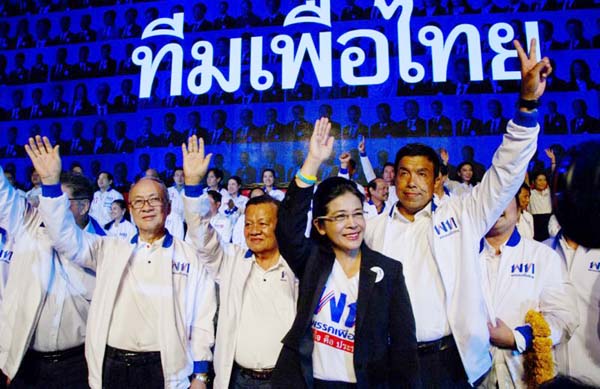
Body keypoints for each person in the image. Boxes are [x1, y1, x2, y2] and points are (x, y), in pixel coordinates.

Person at [364, 39, 551, 386]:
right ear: (393, 179)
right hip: (390, 363)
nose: (411, 183)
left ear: (437, 180)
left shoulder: (464, 214)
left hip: (449, 361)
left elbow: (506, 171)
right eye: (403, 173)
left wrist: (527, 105)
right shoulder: (372, 229)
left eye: (422, 174)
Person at [25, 136, 216, 389]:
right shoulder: (110, 248)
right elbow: (65, 236)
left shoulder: (189, 256)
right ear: (130, 209)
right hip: (112, 366)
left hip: (163, 368)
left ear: (168, 208)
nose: (146, 207)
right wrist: (50, 185)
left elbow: (203, 318)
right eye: (138, 202)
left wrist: (201, 375)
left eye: (154, 200)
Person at [271, 118, 418, 387]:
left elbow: (404, 349)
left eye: (357, 214)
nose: (352, 224)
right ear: (321, 226)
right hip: (310, 381)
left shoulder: (388, 272)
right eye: (340, 216)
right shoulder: (312, 261)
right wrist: (313, 162)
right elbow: (287, 230)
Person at [181, 137, 297, 388]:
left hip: (285, 380)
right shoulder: (232, 261)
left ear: (281, 225)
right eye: (248, 224)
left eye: (263, 223)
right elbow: (201, 234)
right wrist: (192, 185)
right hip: (239, 380)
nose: (253, 230)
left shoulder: (296, 267)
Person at [0, 168, 104, 388]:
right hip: (27, 363)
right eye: (46, 202)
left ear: (83, 206)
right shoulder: (29, 227)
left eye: (58, 203)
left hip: (79, 365)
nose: (49, 211)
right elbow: (2, 194)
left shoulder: (104, 246)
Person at [479, 194, 577, 387]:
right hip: (471, 378)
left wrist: (518, 338)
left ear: (519, 211)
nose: (497, 203)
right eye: (491, 196)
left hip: (525, 375)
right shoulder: (461, 256)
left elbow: (565, 317)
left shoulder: (542, 256)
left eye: (504, 196)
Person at [528, 171, 552, 241]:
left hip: (548, 223)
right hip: (536, 224)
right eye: (540, 180)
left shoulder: (549, 193)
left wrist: (553, 163)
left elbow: (554, 177)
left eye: (544, 180)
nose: (542, 182)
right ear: (534, 182)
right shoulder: (531, 194)